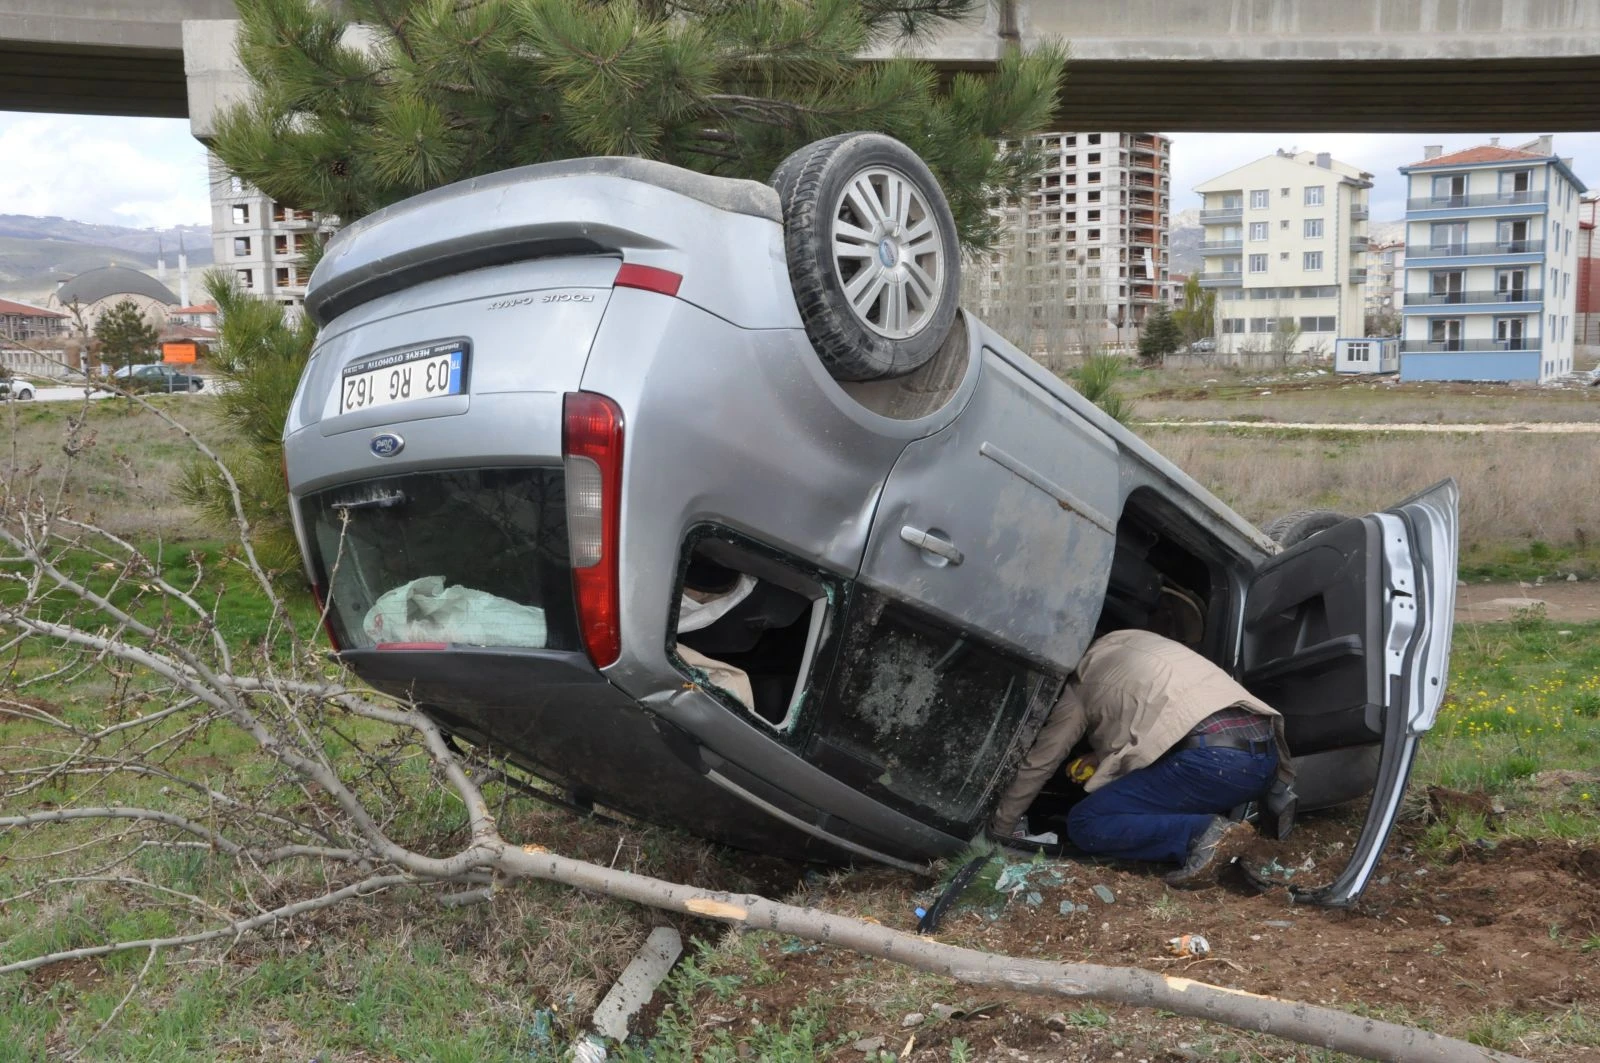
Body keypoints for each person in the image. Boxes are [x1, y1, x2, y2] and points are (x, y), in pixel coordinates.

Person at [989, 629, 1291, 887]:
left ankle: (1203, 835)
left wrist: (1000, 832)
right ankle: (1225, 836)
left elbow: (1040, 763)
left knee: (1087, 820)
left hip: (1212, 763)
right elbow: (1158, 711)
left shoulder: (1077, 689)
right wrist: (1102, 755)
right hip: (1265, 760)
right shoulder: (1128, 638)